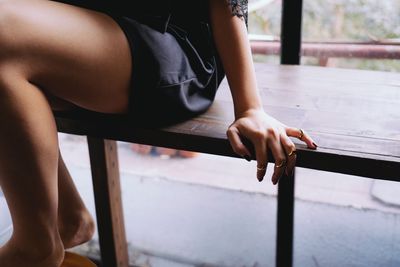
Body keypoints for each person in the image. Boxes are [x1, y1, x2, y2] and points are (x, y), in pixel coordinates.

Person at [0, 0, 317, 266]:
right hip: (85, 29)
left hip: (170, 44)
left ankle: (36, 244)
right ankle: (66, 220)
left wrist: (249, 107)